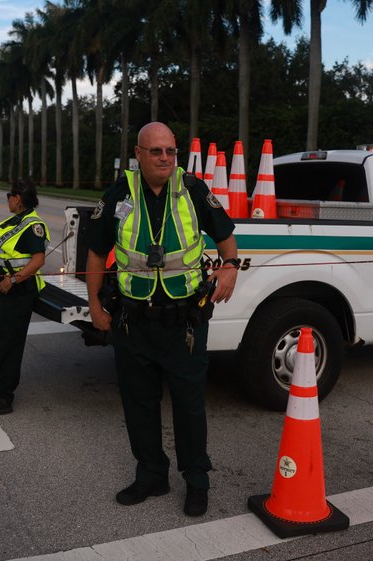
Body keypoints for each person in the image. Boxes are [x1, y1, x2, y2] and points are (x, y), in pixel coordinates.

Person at [86, 122, 239, 517]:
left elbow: (225, 237)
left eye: (170, 151)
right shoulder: (119, 193)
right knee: (139, 404)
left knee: (189, 406)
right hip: (132, 322)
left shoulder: (193, 190)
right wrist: (96, 306)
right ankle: (151, 474)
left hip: (183, 324)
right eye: (156, 151)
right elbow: (95, 254)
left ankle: (196, 480)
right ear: (138, 154)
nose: (165, 159)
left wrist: (231, 267)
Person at [0, 178, 49, 417]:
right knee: (0, 344)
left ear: (17, 198)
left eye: (9, 195)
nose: (7, 199)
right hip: (7, 292)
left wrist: (13, 280)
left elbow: (38, 260)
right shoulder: (18, 220)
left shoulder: (32, 225)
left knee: (8, 346)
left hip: (19, 293)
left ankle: (2, 398)